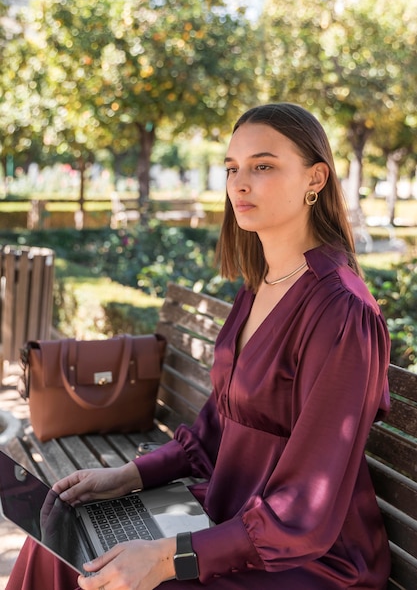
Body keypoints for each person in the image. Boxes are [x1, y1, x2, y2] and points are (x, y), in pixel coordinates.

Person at [7, 103, 391, 590]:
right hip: (231, 515)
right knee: (57, 535)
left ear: (316, 178)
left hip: (305, 557)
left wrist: (168, 558)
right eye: (232, 168)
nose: (240, 183)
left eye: (263, 166)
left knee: (102, 570)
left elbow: (306, 505)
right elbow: (218, 428)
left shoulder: (341, 310)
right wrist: (128, 476)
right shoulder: (260, 285)